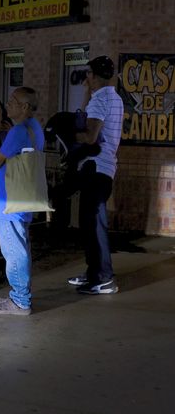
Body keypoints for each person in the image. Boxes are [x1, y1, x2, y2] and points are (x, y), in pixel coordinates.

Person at [0, 87, 44, 315]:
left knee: (13, 250)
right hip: (23, 195)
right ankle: (19, 295)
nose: (7, 104)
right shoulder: (34, 127)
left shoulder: (18, 131)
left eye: (13, 101)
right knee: (20, 246)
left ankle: (20, 300)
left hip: (8, 199)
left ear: (25, 107)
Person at [69, 56, 123, 295]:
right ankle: (94, 273)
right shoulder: (114, 97)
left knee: (94, 226)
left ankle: (103, 278)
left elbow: (89, 136)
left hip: (97, 167)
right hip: (105, 167)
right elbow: (89, 115)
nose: (86, 78)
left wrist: (69, 135)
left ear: (93, 75)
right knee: (90, 225)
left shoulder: (100, 100)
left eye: (88, 73)